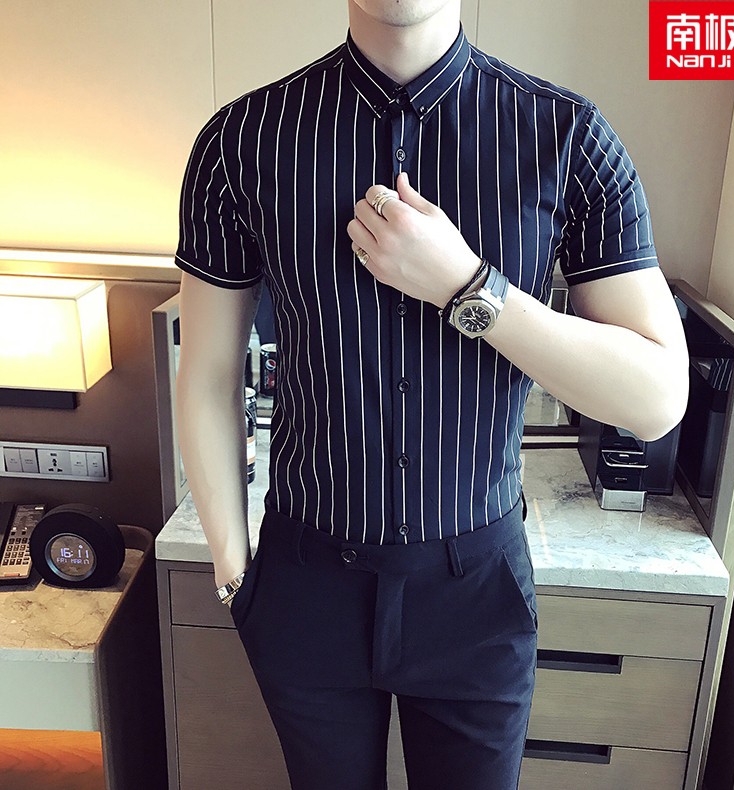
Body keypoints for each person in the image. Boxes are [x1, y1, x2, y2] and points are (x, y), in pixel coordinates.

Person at [174, 1, 689, 788]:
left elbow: (657, 397)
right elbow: (210, 372)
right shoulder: (241, 141)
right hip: (303, 584)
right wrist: (234, 571)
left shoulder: (567, 138)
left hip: (476, 593)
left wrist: (469, 287)